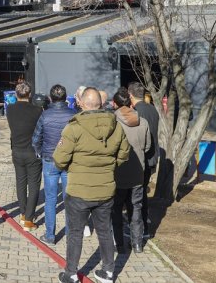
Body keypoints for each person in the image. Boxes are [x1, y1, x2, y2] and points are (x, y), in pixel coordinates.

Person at [53, 87, 130, 283]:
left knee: (75, 233)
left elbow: (59, 160)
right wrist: (109, 165)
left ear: (81, 103)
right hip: (105, 189)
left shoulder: (74, 128)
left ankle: (71, 273)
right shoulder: (116, 126)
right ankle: (109, 271)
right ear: (101, 104)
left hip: (79, 190)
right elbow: (124, 154)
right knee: (105, 231)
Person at [32, 84, 75, 244]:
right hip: (68, 160)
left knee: (50, 198)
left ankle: (50, 235)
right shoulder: (73, 114)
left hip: (49, 159)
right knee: (69, 199)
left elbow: (36, 138)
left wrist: (39, 152)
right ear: (65, 98)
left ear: (50, 98)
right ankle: (71, 235)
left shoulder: (45, 115)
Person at [111, 87, 152, 254]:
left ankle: (119, 244)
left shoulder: (112, 122)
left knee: (116, 208)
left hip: (118, 172)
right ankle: (137, 244)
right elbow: (147, 146)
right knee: (136, 207)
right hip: (138, 172)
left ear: (115, 104)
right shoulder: (143, 121)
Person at [6, 82, 43, 230]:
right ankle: (28, 218)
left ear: (16, 94)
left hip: (17, 150)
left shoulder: (10, 109)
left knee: (20, 182)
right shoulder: (38, 110)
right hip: (33, 151)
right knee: (34, 185)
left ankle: (22, 212)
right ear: (30, 94)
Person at [128, 81, 159, 236]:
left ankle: (141, 229)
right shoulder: (153, 109)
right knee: (142, 194)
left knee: (138, 197)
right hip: (152, 157)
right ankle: (144, 224)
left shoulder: (135, 113)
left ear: (130, 95)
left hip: (141, 159)